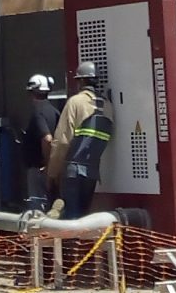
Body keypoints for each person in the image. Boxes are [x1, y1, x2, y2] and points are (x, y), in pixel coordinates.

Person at [48, 65, 114, 219]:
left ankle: (71, 243)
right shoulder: (107, 105)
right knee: (84, 217)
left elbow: (62, 141)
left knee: (71, 216)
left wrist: (52, 173)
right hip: (92, 173)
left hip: (72, 171)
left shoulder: (75, 102)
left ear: (81, 81)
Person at [18, 72, 59, 209]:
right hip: (51, 168)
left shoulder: (38, 113)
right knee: (49, 203)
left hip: (38, 168)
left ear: (33, 93)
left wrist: (46, 165)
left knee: (37, 207)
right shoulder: (54, 111)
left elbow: (47, 139)